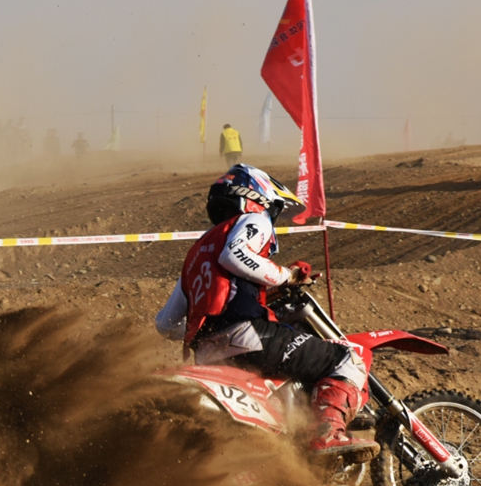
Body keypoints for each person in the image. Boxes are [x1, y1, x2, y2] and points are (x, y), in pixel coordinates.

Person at [154, 164, 379, 463]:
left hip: (209, 352)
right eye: (273, 210)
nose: (271, 219)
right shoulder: (253, 219)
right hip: (248, 336)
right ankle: (326, 434)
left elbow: (166, 324)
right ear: (258, 199)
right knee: (345, 358)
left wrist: (216, 328)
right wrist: (288, 276)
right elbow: (234, 255)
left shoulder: (197, 253)